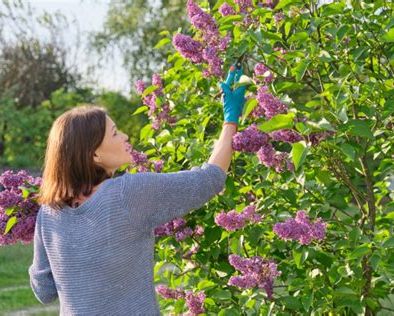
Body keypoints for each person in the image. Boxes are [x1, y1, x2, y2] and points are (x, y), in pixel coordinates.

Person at [29, 64, 246, 315]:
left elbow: (43, 291)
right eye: (114, 133)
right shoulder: (128, 193)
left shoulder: (48, 214)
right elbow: (210, 179)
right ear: (95, 154)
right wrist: (231, 118)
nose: (125, 136)